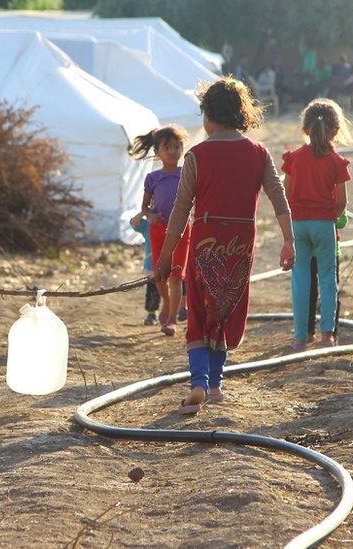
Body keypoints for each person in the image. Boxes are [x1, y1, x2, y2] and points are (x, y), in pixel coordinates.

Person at [158, 77, 295, 414]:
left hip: (204, 245)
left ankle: (199, 384)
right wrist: (288, 240)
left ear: (209, 116)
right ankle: (216, 384)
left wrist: (166, 254)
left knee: (200, 314)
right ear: (241, 114)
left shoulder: (197, 155)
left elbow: (181, 207)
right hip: (240, 246)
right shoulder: (259, 153)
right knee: (226, 310)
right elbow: (279, 197)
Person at [283, 99, 352, 350]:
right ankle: (327, 335)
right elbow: (342, 200)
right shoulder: (336, 162)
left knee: (301, 280)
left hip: (299, 224)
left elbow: (285, 192)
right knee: (327, 279)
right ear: (335, 131)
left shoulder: (294, 159)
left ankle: (301, 337)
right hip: (324, 224)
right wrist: (332, 216)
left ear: (305, 130)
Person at [129, 125, 191, 336]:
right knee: (159, 275)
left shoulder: (187, 174)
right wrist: (150, 215)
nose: (173, 151)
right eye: (167, 147)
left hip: (182, 230)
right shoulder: (153, 178)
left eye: (177, 146)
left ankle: (172, 319)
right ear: (157, 152)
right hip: (158, 229)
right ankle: (166, 304)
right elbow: (144, 207)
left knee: (176, 275)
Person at [307, 210, 348, 342]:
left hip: (309, 249)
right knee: (329, 291)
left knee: (311, 291)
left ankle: (310, 333)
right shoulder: (334, 190)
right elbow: (342, 221)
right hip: (328, 249)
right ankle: (328, 335)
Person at [129, 213, 160, 326]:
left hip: (171, 261)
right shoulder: (148, 225)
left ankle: (178, 311)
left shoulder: (172, 222)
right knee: (153, 288)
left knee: (178, 284)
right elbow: (134, 222)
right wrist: (145, 211)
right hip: (152, 263)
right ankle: (152, 313)